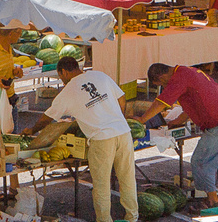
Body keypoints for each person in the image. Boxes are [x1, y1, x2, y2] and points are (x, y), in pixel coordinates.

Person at [23, 57, 138, 222]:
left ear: (64, 72)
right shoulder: (100, 76)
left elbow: (48, 116)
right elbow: (121, 98)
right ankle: (132, 217)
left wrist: (33, 129)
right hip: (123, 132)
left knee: (101, 185)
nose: (61, 80)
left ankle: (104, 220)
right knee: (127, 179)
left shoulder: (69, 90)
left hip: (101, 139)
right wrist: (116, 118)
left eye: (60, 76)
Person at [135, 64, 218, 208]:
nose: (165, 86)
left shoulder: (178, 78)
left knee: (201, 161)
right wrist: (179, 120)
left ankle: (212, 201)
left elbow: (162, 102)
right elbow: (195, 99)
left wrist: (142, 119)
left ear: (162, 77)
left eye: (162, 84)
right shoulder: (188, 71)